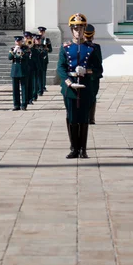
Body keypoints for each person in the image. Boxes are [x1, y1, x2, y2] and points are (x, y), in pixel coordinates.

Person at [57, 13, 103, 159]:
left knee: (83, 118)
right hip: (70, 88)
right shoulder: (66, 48)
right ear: (72, 30)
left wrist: (87, 71)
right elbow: (61, 68)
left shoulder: (92, 48)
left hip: (85, 87)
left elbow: (99, 69)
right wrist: (68, 82)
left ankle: (83, 149)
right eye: (76, 29)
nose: (79, 31)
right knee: (71, 117)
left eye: (81, 28)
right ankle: (73, 148)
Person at [83, 24, 103, 124]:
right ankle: (91, 118)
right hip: (94, 76)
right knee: (92, 96)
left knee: (84, 96)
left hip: (86, 75)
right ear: (93, 35)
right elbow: (99, 63)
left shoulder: (81, 46)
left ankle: (87, 117)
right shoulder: (96, 47)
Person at [9, 36, 28, 111]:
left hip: (23, 70)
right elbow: (9, 57)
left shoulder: (25, 48)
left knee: (24, 88)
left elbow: (26, 57)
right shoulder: (12, 49)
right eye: (17, 41)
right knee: (15, 89)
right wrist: (14, 51)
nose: (18, 43)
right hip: (15, 70)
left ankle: (24, 104)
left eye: (19, 41)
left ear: (21, 42)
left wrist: (21, 52)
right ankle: (16, 104)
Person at [38, 26, 52, 91]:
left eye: (42, 32)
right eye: (40, 31)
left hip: (44, 58)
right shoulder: (36, 39)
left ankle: (43, 86)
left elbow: (50, 50)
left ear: (44, 32)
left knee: (43, 73)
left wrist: (47, 48)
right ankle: (38, 86)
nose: (41, 33)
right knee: (37, 73)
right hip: (37, 58)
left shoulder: (47, 40)